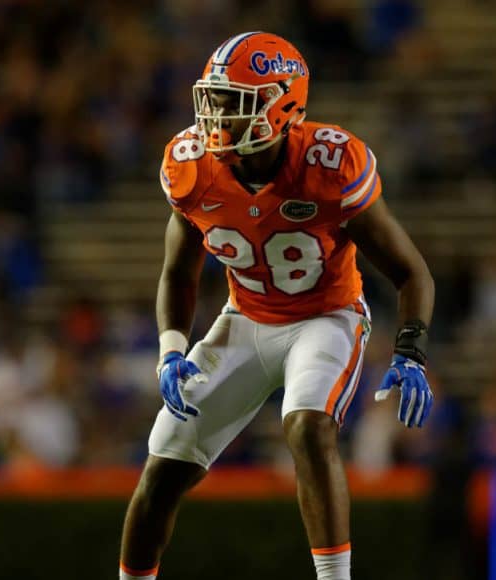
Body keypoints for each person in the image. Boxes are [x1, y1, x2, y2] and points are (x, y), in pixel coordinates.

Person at [118, 32, 435, 580]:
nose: (215, 115)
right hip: (244, 319)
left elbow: (411, 271)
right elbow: (178, 272)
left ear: (282, 104)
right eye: (213, 99)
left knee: (308, 427)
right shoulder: (192, 168)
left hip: (326, 318)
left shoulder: (330, 164)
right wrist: (172, 349)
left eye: (232, 101)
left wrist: (410, 352)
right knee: (163, 462)